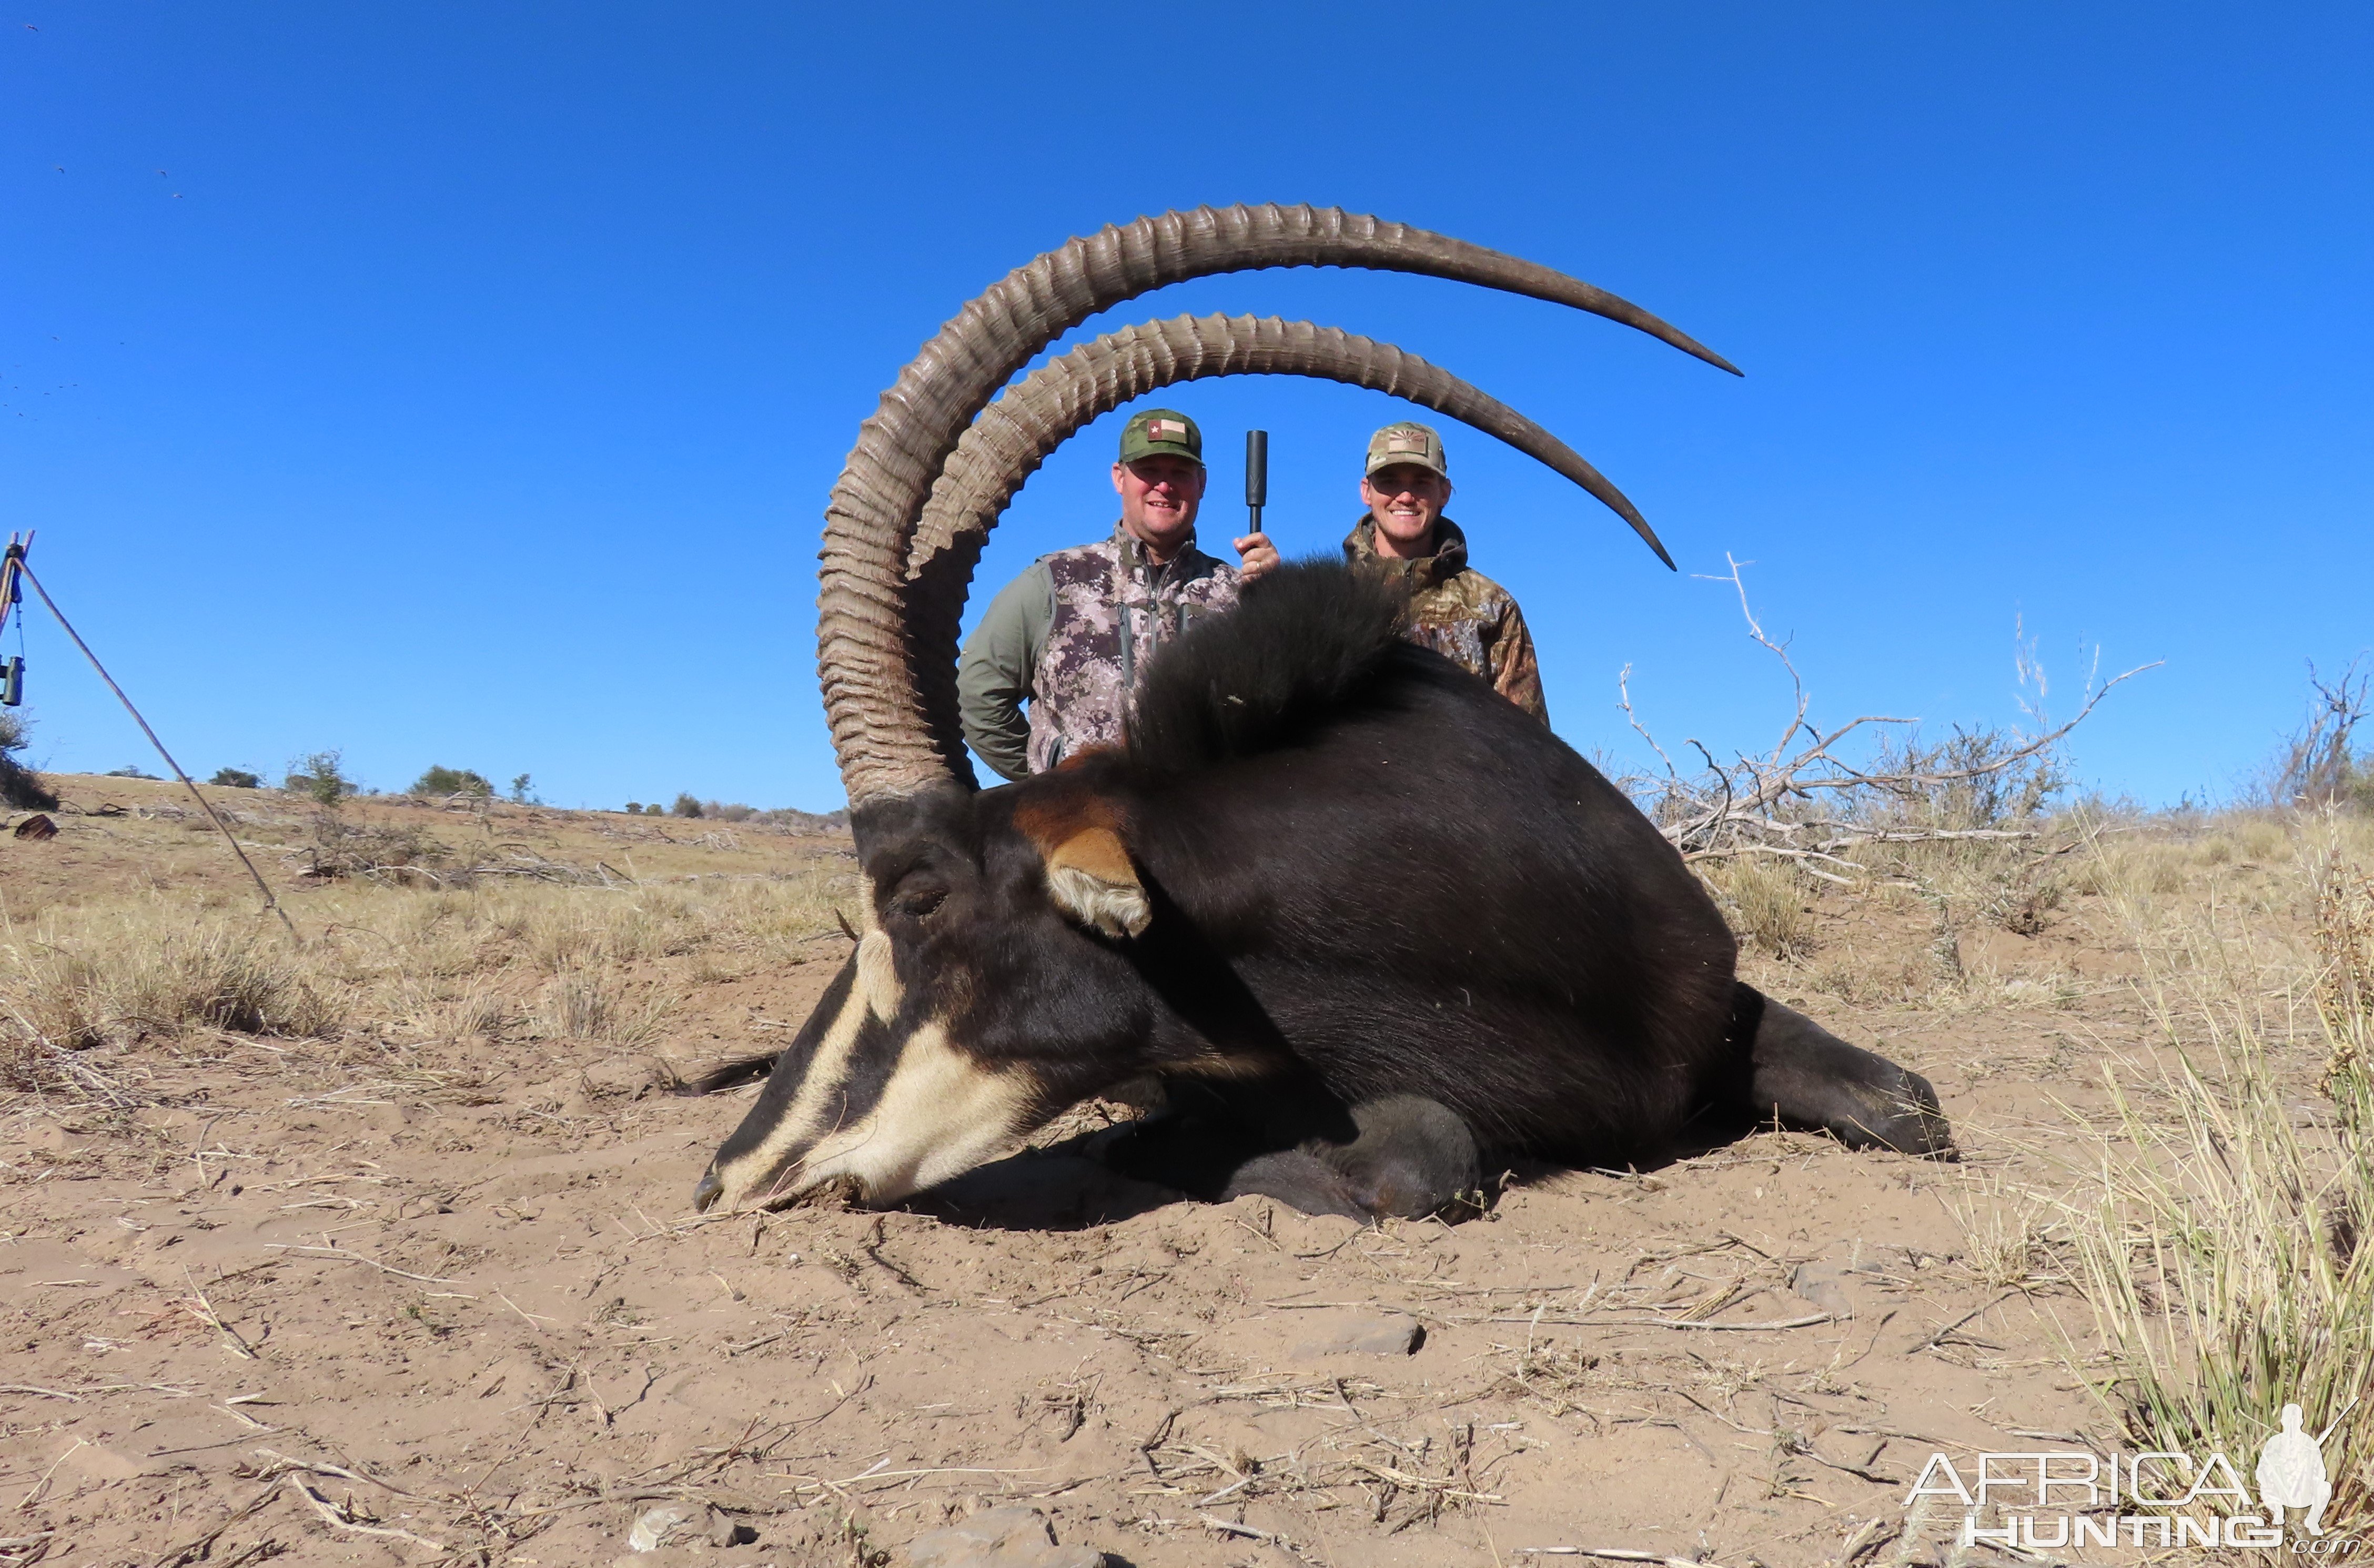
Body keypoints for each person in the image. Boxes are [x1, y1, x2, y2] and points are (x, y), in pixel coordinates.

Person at [958, 409, 1279, 781]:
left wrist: (1276, 600)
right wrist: (1047, 776)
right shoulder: (1053, 581)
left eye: (1179, 473)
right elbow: (978, 695)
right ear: (1119, 477)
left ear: (1201, 483)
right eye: (1149, 471)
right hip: (1080, 828)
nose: (1164, 485)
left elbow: (1281, 715)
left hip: (1199, 831)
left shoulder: (1240, 592)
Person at [1342, 420, 1549, 722]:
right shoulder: (1330, 600)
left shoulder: (1492, 607)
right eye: (1389, 481)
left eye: (1421, 482)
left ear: (1445, 493)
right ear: (1366, 491)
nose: (1405, 497)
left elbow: (1531, 742)